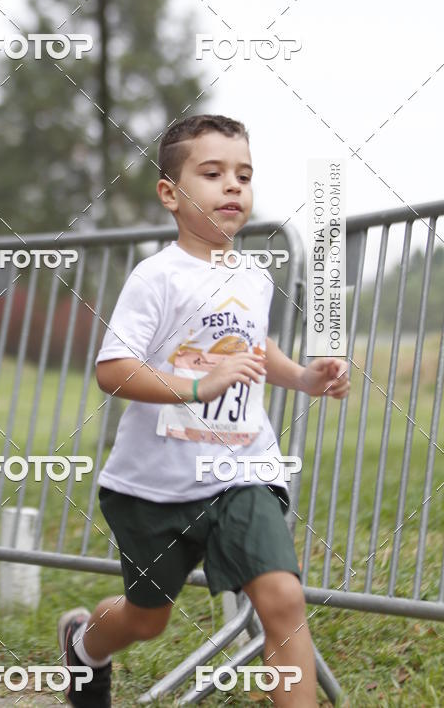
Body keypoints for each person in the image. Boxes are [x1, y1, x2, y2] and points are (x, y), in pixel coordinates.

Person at [58, 114, 349, 707]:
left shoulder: (256, 278)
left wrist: (301, 376)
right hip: (154, 485)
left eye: (243, 175)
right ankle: (84, 646)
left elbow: (253, 347)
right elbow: (112, 369)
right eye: (213, 173)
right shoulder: (156, 278)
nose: (233, 186)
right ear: (170, 192)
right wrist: (196, 388)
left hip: (244, 469)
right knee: (146, 619)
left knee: (282, 599)